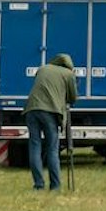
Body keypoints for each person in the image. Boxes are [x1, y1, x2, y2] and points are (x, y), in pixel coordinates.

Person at [24, 54, 78, 191]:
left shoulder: (42, 69)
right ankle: (55, 186)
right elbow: (73, 98)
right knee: (52, 149)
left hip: (32, 109)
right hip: (50, 111)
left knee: (35, 147)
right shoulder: (68, 74)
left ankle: (38, 185)